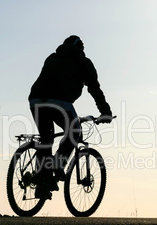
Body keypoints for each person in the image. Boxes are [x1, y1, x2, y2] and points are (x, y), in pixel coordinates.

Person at [28, 35, 113, 199]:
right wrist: (105, 112)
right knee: (74, 132)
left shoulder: (52, 57)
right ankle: (57, 165)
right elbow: (94, 88)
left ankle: (42, 181)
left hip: (36, 100)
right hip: (60, 102)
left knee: (46, 139)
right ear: (80, 47)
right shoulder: (83, 61)